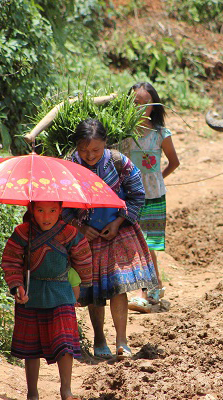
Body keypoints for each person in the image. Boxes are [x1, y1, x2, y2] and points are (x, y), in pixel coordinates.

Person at [62, 118, 159, 360]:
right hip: (86, 239)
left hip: (118, 233)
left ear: (105, 143)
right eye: (84, 150)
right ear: (76, 147)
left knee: (118, 286)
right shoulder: (68, 168)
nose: (90, 155)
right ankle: (99, 339)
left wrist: (118, 222)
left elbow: (138, 195)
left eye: (95, 149)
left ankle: (122, 341)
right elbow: (60, 205)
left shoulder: (119, 163)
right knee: (94, 289)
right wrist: (79, 227)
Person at [1, 200, 93, 400]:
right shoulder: (23, 233)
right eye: (40, 210)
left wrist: (82, 286)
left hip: (61, 292)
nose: (46, 216)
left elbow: (84, 257)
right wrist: (17, 286)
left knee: (65, 342)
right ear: (31, 210)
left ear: (60, 210)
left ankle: (66, 390)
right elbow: (10, 260)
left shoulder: (69, 233)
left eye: (52, 210)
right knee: (31, 348)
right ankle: (32, 392)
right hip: (30, 295)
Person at [121, 82, 180, 313]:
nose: (140, 108)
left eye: (146, 103)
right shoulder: (123, 134)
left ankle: (145, 292)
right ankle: (154, 288)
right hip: (130, 196)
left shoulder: (160, 135)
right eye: (135, 103)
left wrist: (157, 178)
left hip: (154, 196)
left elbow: (174, 162)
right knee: (137, 243)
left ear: (154, 107)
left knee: (148, 243)